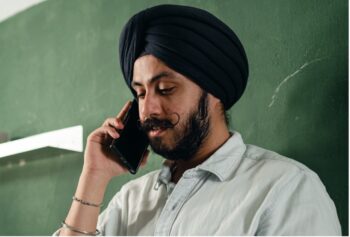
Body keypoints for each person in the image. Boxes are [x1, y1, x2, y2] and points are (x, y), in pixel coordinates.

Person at [56, 4, 341, 236]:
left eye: (166, 89)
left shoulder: (285, 189)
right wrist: (94, 177)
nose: (147, 110)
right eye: (140, 93)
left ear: (214, 91)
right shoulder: (131, 201)